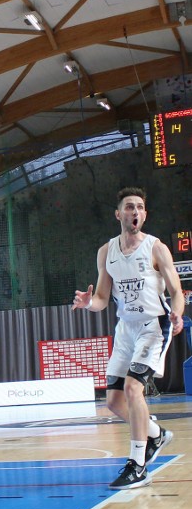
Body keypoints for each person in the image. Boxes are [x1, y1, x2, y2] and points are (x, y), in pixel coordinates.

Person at [72, 187, 184, 491]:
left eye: (140, 207)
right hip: (126, 328)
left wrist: (177, 313)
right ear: (119, 214)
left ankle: (137, 465)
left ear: (144, 215)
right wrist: (87, 303)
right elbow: (102, 298)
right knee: (113, 402)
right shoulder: (106, 252)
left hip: (153, 325)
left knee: (135, 389)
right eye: (130, 207)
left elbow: (176, 292)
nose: (135, 212)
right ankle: (155, 434)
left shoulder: (156, 248)